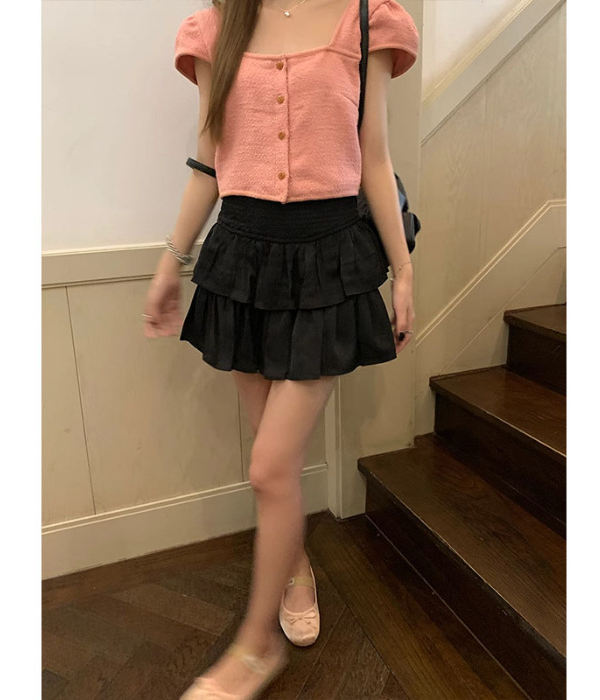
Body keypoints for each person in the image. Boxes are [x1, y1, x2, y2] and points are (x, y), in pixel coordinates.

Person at [142, 0, 419, 697]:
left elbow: (374, 157)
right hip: (242, 262)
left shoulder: (367, 19)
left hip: (329, 263)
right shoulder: (216, 27)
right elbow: (208, 164)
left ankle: (255, 646)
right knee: (275, 460)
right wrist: (171, 262)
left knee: (269, 466)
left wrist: (404, 269)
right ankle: (294, 566)